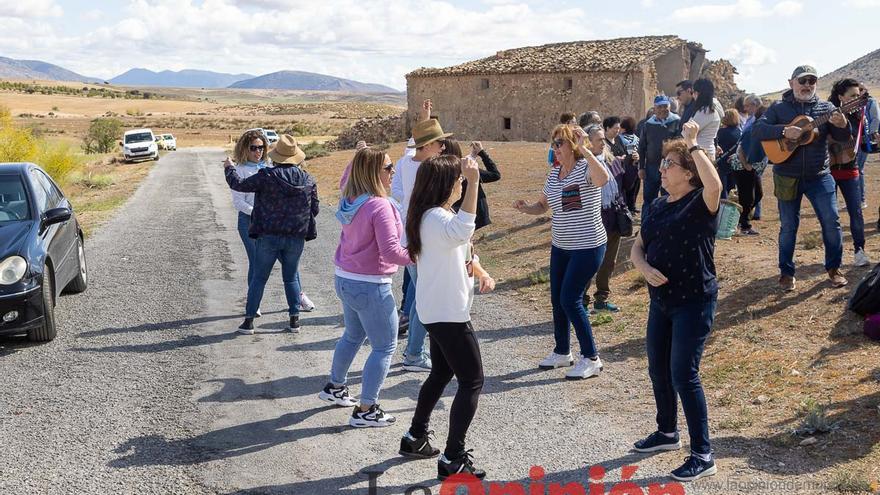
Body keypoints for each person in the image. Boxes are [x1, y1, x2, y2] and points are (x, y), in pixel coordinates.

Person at [630, 120, 722, 483]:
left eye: (670, 164)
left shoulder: (702, 203)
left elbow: (714, 184)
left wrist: (693, 144)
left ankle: (703, 453)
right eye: (662, 163)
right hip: (662, 300)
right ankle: (667, 432)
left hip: (694, 300)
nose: (662, 168)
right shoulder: (655, 204)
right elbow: (639, 245)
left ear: (689, 173)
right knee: (658, 368)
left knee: (684, 374)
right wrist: (642, 266)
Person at [398, 154, 490, 481]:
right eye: (458, 179)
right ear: (443, 184)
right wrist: (475, 181)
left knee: (439, 373)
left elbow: (461, 245)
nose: (461, 182)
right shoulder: (436, 218)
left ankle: (415, 437)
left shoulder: (429, 216)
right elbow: (465, 228)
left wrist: (477, 270)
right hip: (449, 314)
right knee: (472, 380)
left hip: (436, 310)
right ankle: (453, 457)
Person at [319, 148, 411, 427]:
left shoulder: (350, 200)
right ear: (373, 172)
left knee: (353, 335)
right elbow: (393, 252)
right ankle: (366, 409)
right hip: (372, 285)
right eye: (388, 166)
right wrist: (422, 255)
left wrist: (363, 155)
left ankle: (335, 387)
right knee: (384, 347)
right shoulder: (380, 206)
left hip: (345, 279)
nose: (393, 171)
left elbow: (350, 172)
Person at [513, 124, 610, 379]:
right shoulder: (554, 173)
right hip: (561, 247)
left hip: (588, 246)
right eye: (553, 143)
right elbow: (543, 206)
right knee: (557, 299)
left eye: (559, 143)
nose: (554, 148)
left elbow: (603, 180)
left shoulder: (584, 168)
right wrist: (527, 208)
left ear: (572, 145)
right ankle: (562, 352)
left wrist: (585, 150)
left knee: (570, 299)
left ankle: (591, 358)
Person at [752, 65, 852, 291]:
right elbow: (758, 130)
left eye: (812, 81)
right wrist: (784, 131)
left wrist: (843, 125)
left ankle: (834, 269)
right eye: (802, 80)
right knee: (788, 226)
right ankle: (787, 273)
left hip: (820, 176)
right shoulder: (778, 107)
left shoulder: (827, 108)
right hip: (787, 176)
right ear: (791, 83)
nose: (807, 85)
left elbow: (841, 137)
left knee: (832, 222)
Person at [224, 135, 318, 333]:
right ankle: (294, 320)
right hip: (296, 237)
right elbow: (314, 209)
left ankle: (249, 321)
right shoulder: (308, 179)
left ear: (276, 156)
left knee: (259, 276)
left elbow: (238, 185)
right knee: (291, 277)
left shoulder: (266, 175)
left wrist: (229, 168)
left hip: (269, 235)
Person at [391, 99, 450, 372]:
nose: (443, 147)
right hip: (423, 242)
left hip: (408, 241)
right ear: (428, 147)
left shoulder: (404, 163)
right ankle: (414, 353)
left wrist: (425, 117)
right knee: (423, 299)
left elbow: (399, 195)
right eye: (439, 143)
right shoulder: (432, 169)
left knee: (419, 296)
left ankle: (415, 350)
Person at [583, 124, 626, 313]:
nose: (604, 143)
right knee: (589, 261)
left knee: (609, 261)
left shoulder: (611, 160)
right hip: (593, 216)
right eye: (599, 139)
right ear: (588, 142)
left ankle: (601, 298)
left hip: (613, 214)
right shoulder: (581, 165)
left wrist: (631, 165)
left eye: (603, 139)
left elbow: (625, 183)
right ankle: (581, 301)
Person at [828, 78, 871, 267]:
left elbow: (859, 143)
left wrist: (871, 138)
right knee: (830, 216)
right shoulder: (829, 114)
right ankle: (832, 255)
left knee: (856, 212)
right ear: (840, 97)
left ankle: (859, 251)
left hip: (850, 169)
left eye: (858, 95)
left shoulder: (859, 117)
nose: (856, 98)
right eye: (852, 95)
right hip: (828, 171)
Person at [445, 139, 502, 230]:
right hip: (477, 214)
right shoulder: (466, 168)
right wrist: (482, 153)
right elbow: (495, 175)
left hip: (454, 214)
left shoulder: (438, 171)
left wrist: (473, 155)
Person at [639, 95, 681, 217]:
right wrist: (641, 167)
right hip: (651, 167)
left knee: (669, 196)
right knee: (649, 198)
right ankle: (646, 225)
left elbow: (680, 144)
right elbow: (642, 147)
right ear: (655, 108)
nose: (663, 109)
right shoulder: (648, 124)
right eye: (660, 107)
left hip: (670, 166)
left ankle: (665, 224)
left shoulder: (676, 121)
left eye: (665, 106)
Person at [736, 104, 769, 232]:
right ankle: (744, 225)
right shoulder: (752, 130)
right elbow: (740, 149)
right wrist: (746, 165)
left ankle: (741, 219)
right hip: (743, 167)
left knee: (758, 195)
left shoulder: (762, 130)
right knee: (747, 197)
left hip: (751, 168)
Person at [689, 79, 724, 160]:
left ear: (698, 93)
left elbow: (687, 132)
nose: (693, 96)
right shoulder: (707, 110)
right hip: (703, 152)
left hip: (702, 153)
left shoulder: (706, 111)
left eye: (693, 92)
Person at [858, 84, 879, 209]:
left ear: (866, 90)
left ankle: (861, 200)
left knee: (858, 169)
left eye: (861, 89)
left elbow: (875, 118)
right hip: (854, 140)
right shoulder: (854, 103)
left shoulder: (871, 102)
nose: (859, 91)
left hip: (866, 139)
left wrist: (871, 135)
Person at [715, 109, 741, 200]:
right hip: (733, 163)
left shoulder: (721, 132)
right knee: (732, 190)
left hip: (722, 164)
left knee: (723, 191)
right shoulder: (739, 132)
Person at [619, 116, 642, 214]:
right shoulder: (637, 138)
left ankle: (628, 207)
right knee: (635, 188)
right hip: (636, 166)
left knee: (625, 188)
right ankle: (632, 206)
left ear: (623, 128)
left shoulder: (620, 138)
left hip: (625, 167)